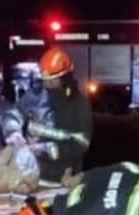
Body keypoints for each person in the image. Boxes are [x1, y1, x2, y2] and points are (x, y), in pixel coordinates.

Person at [25, 47, 93, 187]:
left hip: (62, 180)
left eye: (52, 81)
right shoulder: (37, 98)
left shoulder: (78, 104)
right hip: (34, 178)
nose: (47, 85)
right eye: (44, 80)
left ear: (65, 78)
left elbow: (81, 144)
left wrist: (45, 151)